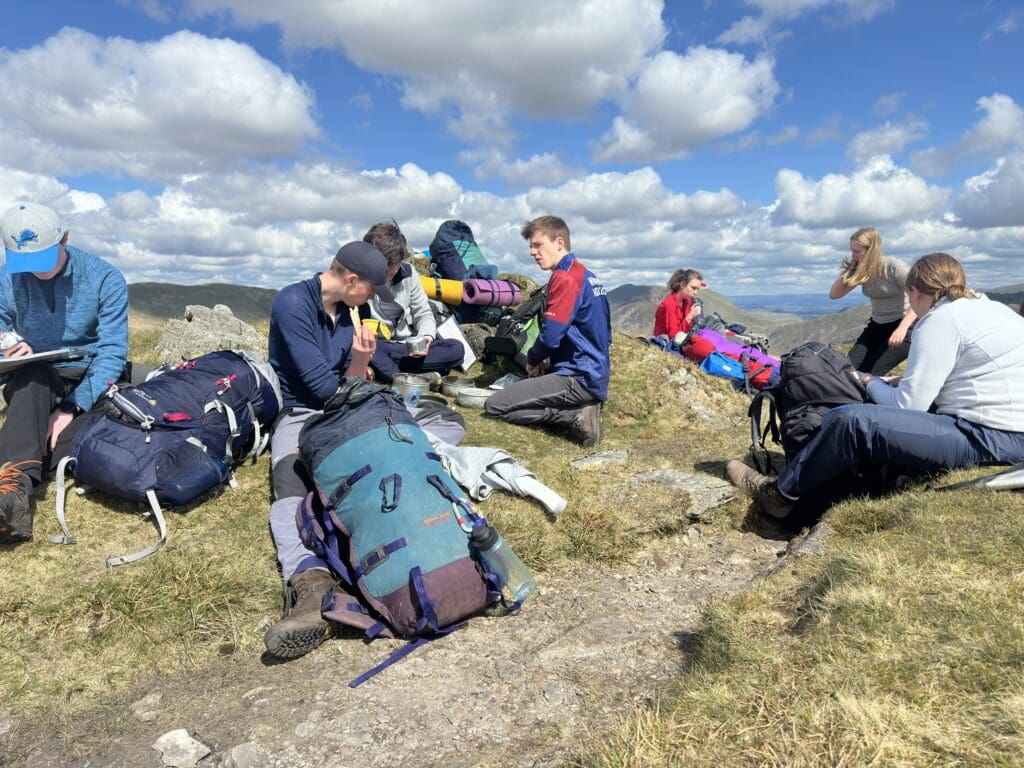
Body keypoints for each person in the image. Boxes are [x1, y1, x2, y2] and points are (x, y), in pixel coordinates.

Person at [727, 252, 1024, 518]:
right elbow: (974, 377)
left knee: (852, 420)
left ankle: (780, 494)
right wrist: (902, 380)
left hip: (990, 439)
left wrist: (869, 382)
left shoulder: (939, 320)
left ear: (916, 292)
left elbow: (907, 406)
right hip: (1010, 433)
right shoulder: (992, 309)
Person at [263, 240, 391, 660]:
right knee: (290, 478)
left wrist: (361, 362)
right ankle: (310, 580)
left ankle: (389, 557)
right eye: (371, 290)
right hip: (301, 414)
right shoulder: (293, 303)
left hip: (343, 407)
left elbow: (357, 377)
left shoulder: (351, 312)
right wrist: (357, 373)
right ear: (351, 280)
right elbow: (318, 389)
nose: (372, 299)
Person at [0, 202, 128, 542]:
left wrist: (69, 409)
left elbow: (113, 351)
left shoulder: (104, 278)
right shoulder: (7, 278)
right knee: (32, 378)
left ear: (64, 239)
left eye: (44, 259)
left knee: (75, 434)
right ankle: (12, 499)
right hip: (34, 378)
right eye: (26, 263)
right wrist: (5, 348)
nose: (36, 272)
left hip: (89, 379)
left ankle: (18, 459)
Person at [484, 215, 611, 447]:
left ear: (559, 243)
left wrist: (534, 359)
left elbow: (551, 335)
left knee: (495, 406)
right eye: (531, 246)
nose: (533, 252)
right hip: (593, 372)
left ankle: (574, 416)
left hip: (578, 377)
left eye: (538, 245)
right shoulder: (587, 276)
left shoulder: (563, 279)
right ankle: (578, 407)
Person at [362, 218, 465, 381]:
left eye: (394, 264)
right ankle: (409, 375)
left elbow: (423, 312)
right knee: (370, 349)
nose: (391, 270)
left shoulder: (408, 273)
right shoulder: (361, 275)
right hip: (376, 345)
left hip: (405, 346)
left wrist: (426, 338)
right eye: (385, 265)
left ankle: (388, 371)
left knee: (456, 348)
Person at [828, 227, 916, 375]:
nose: (853, 255)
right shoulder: (863, 270)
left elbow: (919, 296)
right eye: (852, 251)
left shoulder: (893, 266)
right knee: (847, 371)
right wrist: (853, 268)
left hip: (904, 326)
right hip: (877, 326)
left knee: (871, 373)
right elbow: (834, 294)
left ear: (872, 250)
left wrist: (902, 328)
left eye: (858, 251)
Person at [652, 268, 704, 343]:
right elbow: (673, 336)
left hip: (683, 339)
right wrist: (690, 316)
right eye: (693, 288)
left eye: (697, 289)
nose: (695, 292)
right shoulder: (669, 304)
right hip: (666, 343)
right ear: (682, 285)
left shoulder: (687, 302)